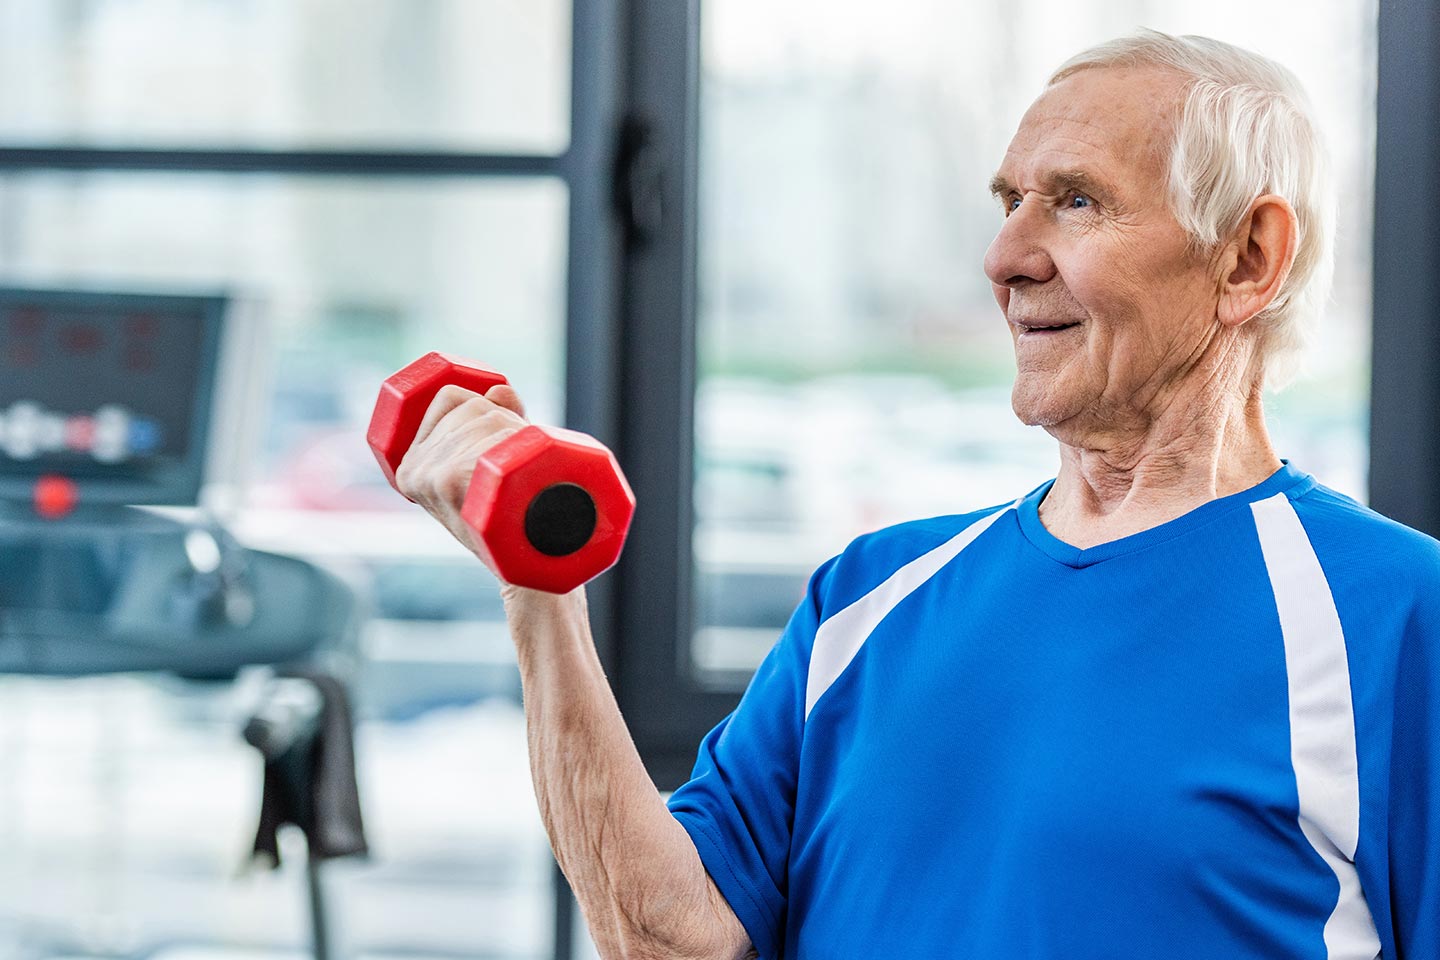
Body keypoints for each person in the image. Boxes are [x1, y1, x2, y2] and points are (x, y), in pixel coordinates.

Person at [394, 29, 1437, 960]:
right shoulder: (869, 595)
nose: (1006, 257)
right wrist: (540, 595)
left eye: (1076, 200)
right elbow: (672, 943)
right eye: (1008, 202)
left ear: (1248, 258)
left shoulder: (1396, 619)